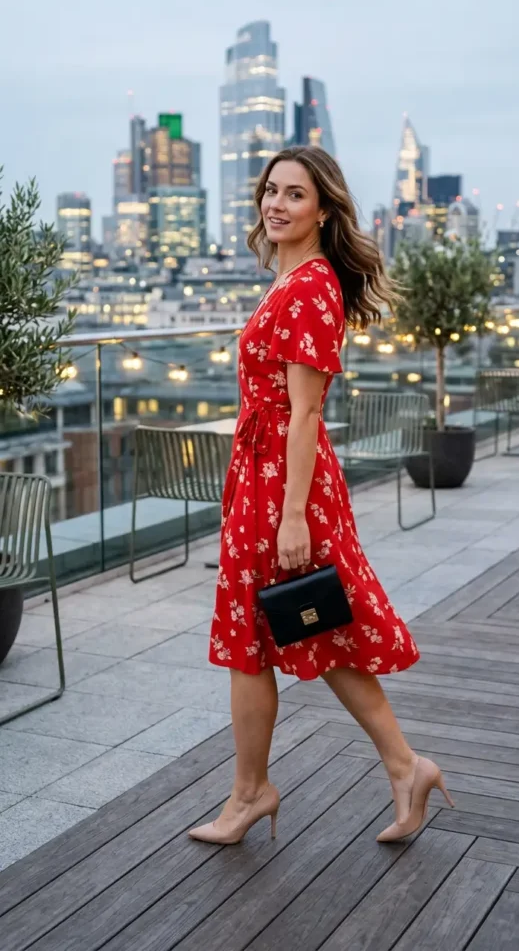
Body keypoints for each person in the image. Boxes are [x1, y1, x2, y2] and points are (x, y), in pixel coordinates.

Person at [188, 146, 453, 847]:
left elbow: (304, 412)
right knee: (318, 629)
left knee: (258, 638)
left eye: (295, 194)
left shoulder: (309, 287)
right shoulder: (291, 279)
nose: (276, 203)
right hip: (267, 477)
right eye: (270, 191)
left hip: (284, 482)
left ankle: (251, 793)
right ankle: (405, 767)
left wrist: (293, 514)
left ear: (324, 209)